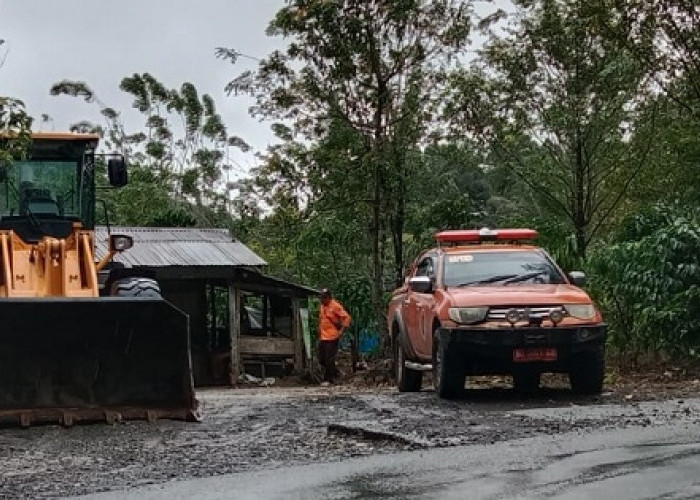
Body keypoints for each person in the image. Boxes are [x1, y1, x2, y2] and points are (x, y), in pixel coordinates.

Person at [318, 288, 351, 386]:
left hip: (332, 337)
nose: (322, 300)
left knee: (329, 359)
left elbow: (346, 317)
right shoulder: (322, 306)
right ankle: (335, 372)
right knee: (321, 359)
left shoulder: (335, 306)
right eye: (321, 298)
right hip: (323, 336)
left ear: (329, 297)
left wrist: (342, 331)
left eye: (324, 298)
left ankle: (328, 379)